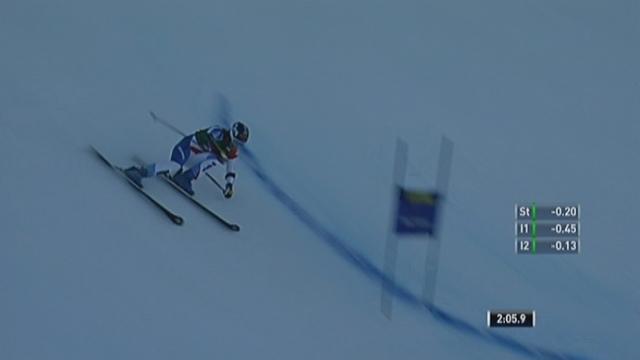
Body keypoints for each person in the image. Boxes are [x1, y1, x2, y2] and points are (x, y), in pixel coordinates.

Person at [125, 121, 249, 198]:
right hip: (185, 149)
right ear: (233, 134)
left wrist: (229, 185)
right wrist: (219, 149)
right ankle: (138, 172)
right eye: (237, 141)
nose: (237, 145)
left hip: (195, 159)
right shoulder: (218, 131)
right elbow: (203, 135)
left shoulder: (232, 151)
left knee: (215, 161)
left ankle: (185, 178)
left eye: (240, 143)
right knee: (175, 167)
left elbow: (230, 169)